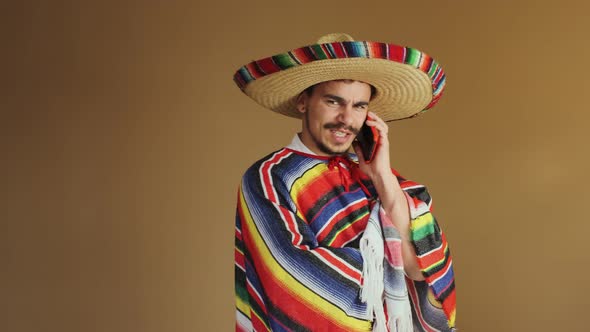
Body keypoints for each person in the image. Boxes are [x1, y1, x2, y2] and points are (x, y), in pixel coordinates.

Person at [233, 33, 456, 332]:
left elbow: (420, 268)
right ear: (303, 101)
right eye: (333, 101)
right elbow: (289, 277)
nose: (346, 118)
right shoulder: (270, 177)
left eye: (359, 106)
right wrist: (385, 261)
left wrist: (382, 176)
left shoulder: (382, 181)